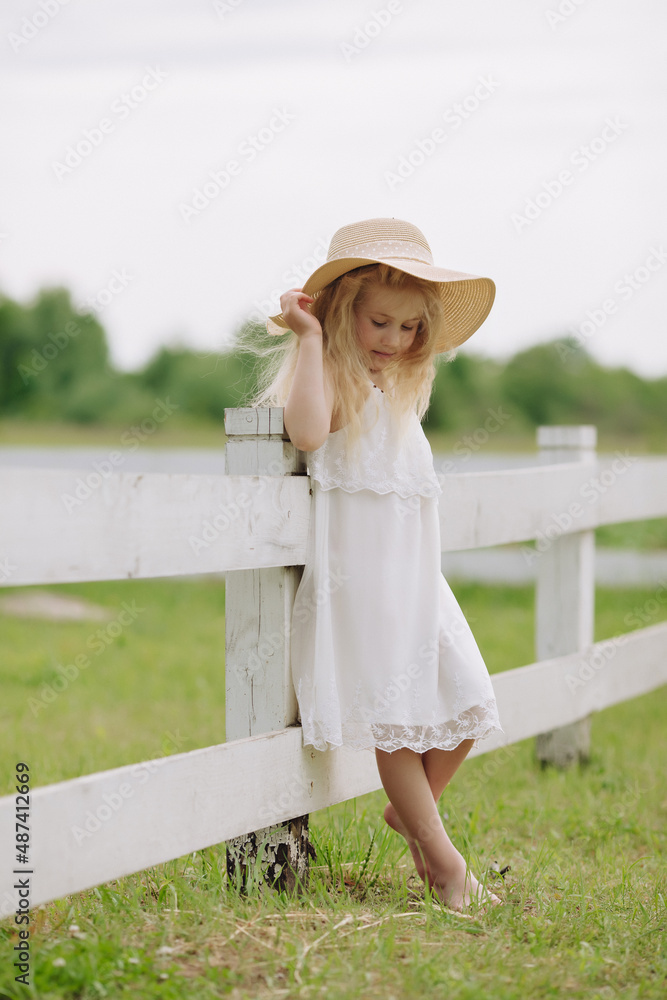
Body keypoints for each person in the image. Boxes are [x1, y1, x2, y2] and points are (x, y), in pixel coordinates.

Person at [250, 217, 504, 912]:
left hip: (416, 579)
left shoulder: (400, 393)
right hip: (359, 583)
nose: (394, 340)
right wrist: (307, 340)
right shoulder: (332, 377)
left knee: (470, 698)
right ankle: (446, 867)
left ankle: (409, 812)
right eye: (379, 323)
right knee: (396, 718)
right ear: (342, 313)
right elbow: (305, 431)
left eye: (409, 329)